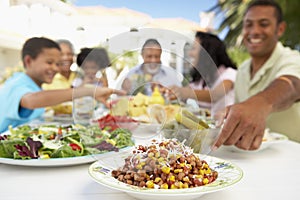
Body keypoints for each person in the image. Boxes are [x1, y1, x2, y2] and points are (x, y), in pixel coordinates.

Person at [213, 0, 300, 151]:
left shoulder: (292, 59)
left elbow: (292, 84)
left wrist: (261, 103)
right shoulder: (242, 69)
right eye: (248, 24)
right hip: (249, 157)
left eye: (264, 24)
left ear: (280, 29)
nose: (254, 31)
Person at [0, 37, 125, 133]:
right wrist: (87, 91)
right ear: (28, 61)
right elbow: (32, 100)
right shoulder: (17, 83)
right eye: (49, 62)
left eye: (58, 63)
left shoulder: (33, 84)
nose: (55, 68)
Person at [169, 31, 237, 115]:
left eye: (193, 48)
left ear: (207, 53)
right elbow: (182, 94)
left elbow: (215, 95)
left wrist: (185, 92)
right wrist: (169, 92)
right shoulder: (201, 79)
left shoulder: (230, 73)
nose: (190, 53)